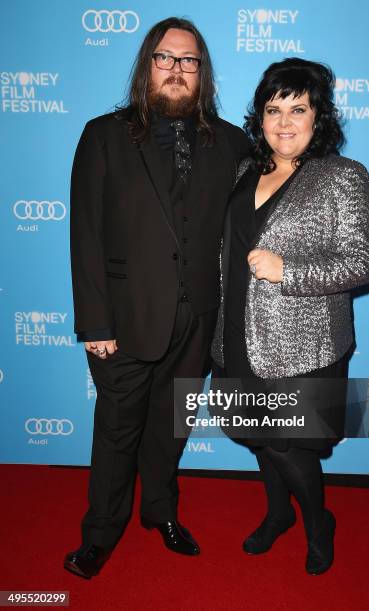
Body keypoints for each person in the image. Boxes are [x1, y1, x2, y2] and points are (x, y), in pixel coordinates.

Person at [65, 17, 249, 579]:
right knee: (117, 432)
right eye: (165, 58)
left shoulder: (232, 143)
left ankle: (161, 513)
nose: (176, 69)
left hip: (198, 321)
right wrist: (94, 321)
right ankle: (100, 534)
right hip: (124, 320)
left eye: (188, 60)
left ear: (203, 72)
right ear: (147, 66)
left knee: (172, 429)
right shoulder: (104, 135)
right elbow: (86, 234)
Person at [211, 57, 369, 575]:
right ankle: (278, 514)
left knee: (286, 443)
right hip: (236, 331)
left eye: (297, 109)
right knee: (258, 434)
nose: (284, 122)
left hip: (302, 341)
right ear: (259, 118)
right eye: (272, 109)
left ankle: (316, 523)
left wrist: (289, 270)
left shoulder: (344, 177)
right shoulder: (245, 170)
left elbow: (361, 264)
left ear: (318, 116)